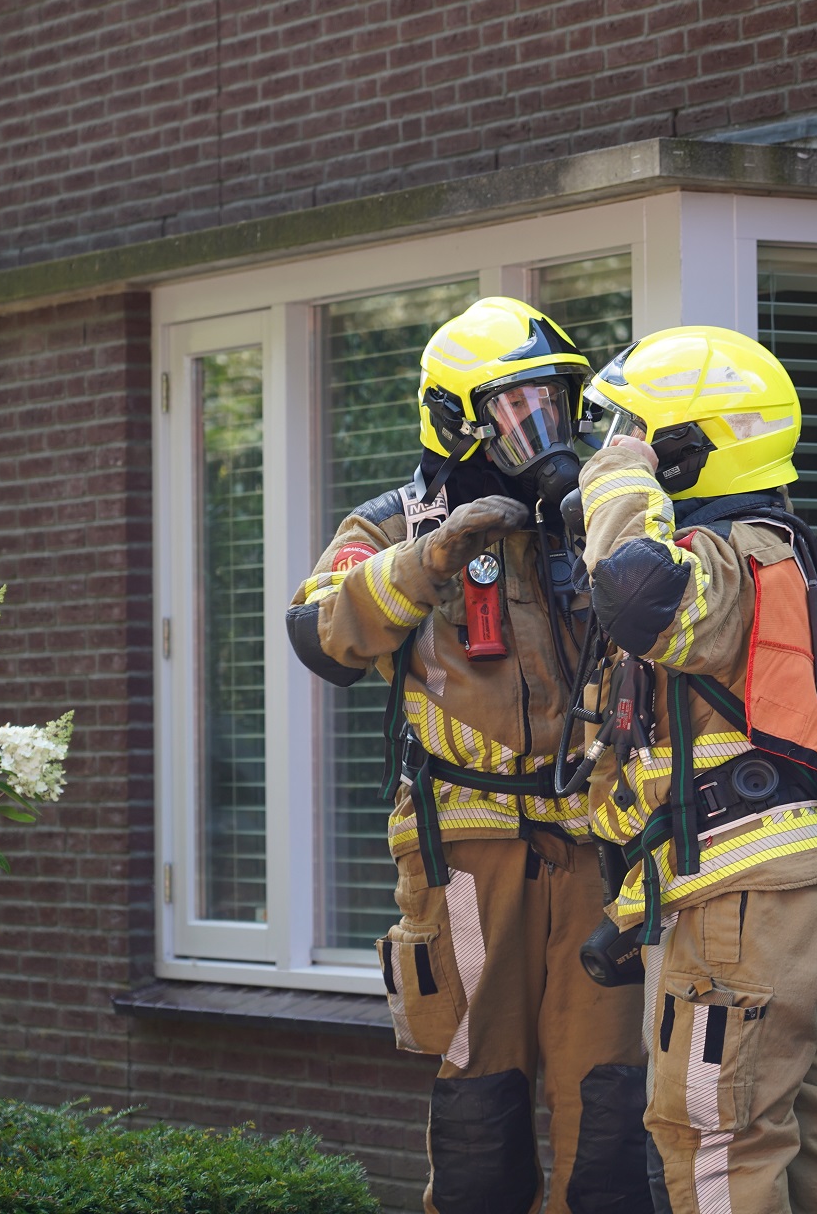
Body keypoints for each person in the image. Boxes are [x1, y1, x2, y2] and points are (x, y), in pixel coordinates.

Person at [286, 296, 652, 1214]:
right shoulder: (396, 521)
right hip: (463, 861)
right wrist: (428, 559)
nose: (543, 431)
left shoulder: (586, 518)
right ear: (454, 422)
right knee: (481, 1113)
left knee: (609, 1111)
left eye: (555, 406)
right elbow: (316, 636)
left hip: (594, 851)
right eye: (516, 409)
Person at [571, 325, 817, 1214]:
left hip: (744, 910)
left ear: (687, 451)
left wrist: (622, 482)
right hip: (815, 896)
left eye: (635, 434)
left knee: (717, 1149)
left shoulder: (725, 557)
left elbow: (635, 593)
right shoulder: (781, 550)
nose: (610, 450)